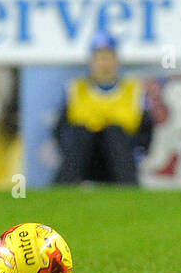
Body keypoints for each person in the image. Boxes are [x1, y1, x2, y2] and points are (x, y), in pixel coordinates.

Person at [53, 32, 152, 185]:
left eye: (108, 58)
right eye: (99, 58)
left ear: (117, 61)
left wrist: (136, 155)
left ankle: (130, 188)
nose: (104, 64)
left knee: (114, 131)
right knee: (82, 133)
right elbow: (60, 131)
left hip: (121, 163)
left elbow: (146, 132)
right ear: (91, 62)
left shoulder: (134, 91)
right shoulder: (75, 90)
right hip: (83, 162)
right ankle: (61, 189)